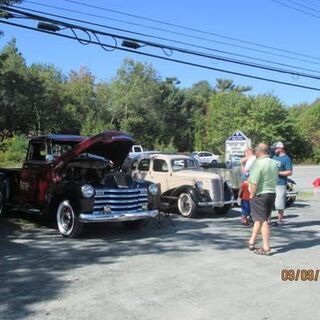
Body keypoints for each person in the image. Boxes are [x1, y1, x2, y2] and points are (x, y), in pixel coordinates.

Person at [247, 143, 278, 256]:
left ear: (258, 152)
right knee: (259, 218)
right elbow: (276, 178)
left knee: (263, 220)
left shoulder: (258, 164)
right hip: (271, 193)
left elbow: (254, 182)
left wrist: (252, 194)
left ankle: (266, 247)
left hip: (260, 194)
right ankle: (252, 241)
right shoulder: (273, 163)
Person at [272, 141, 293, 225]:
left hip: (280, 183)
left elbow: (289, 172)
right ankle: (268, 220)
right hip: (271, 183)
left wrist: (278, 173)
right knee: (269, 201)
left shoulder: (286, 159)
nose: (274, 150)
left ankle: (279, 220)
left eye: (275, 148)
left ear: (281, 148)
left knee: (279, 203)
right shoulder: (274, 156)